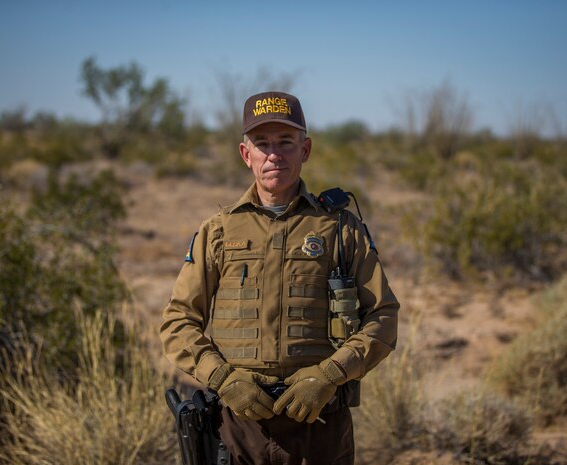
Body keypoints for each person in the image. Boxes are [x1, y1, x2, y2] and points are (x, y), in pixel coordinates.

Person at [160, 91, 399, 465]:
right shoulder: (217, 231)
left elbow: (383, 318)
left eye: (286, 142)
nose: (274, 154)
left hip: (319, 424)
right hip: (238, 427)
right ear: (246, 154)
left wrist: (328, 376)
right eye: (262, 143)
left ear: (305, 150)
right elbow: (178, 322)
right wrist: (223, 379)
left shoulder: (340, 228)